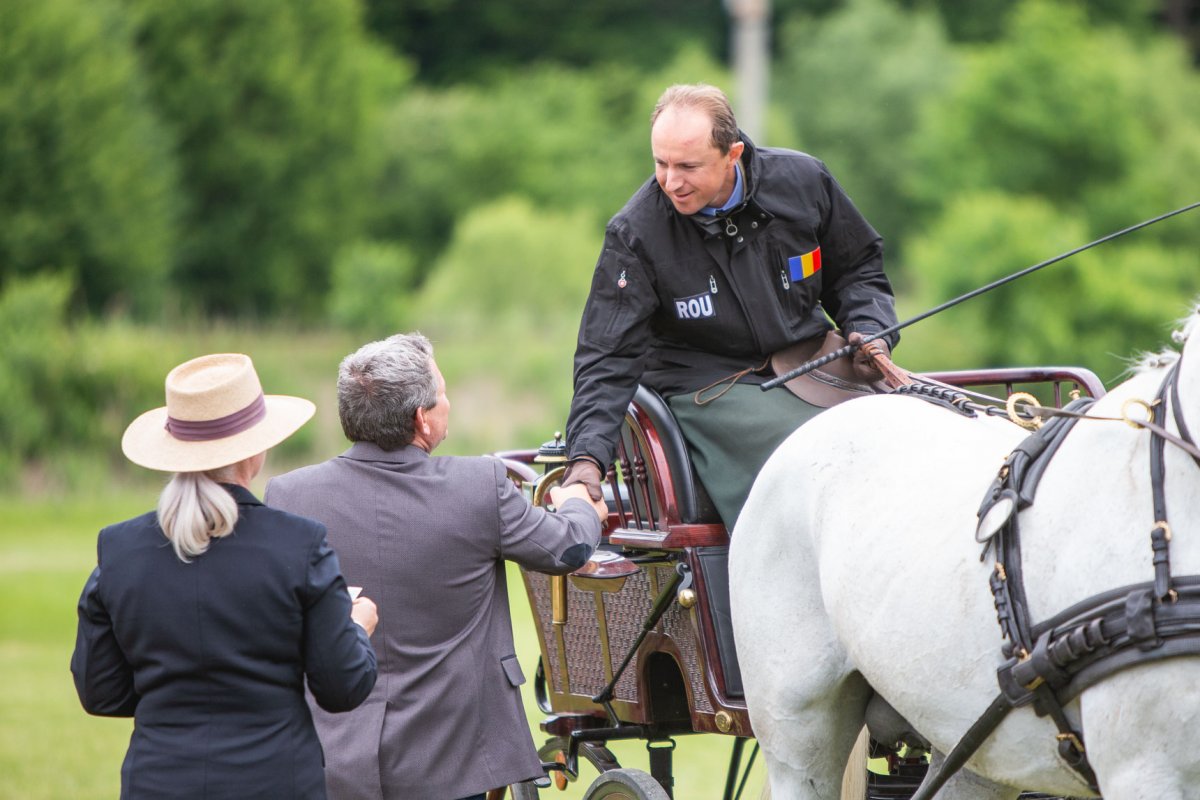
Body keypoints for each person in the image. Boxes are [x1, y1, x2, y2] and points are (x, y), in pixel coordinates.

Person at [266, 332, 607, 800]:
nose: (448, 403)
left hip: (331, 756)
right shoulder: (480, 486)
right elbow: (567, 550)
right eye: (443, 395)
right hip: (455, 759)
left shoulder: (288, 495)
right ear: (421, 419)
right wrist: (578, 505)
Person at [562, 82, 900, 529]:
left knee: (916, 422)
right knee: (818, 450)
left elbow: (858, 270)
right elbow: (606, 357)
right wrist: (586, 459)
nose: (671, 182)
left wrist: (870, 330)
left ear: (733, 154)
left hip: (813, 360)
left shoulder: (804, 181)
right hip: (706, 385)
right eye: (660, 163)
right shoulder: (634, 234)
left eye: (688, 165)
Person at [71, 353, 378, 799]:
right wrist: (355, 627)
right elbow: (342, 686)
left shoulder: (119, 550)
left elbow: (100, 692)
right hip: (276, 781)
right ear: (255, 449)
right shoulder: (300, 545)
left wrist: (177, 700)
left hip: (159, 781)